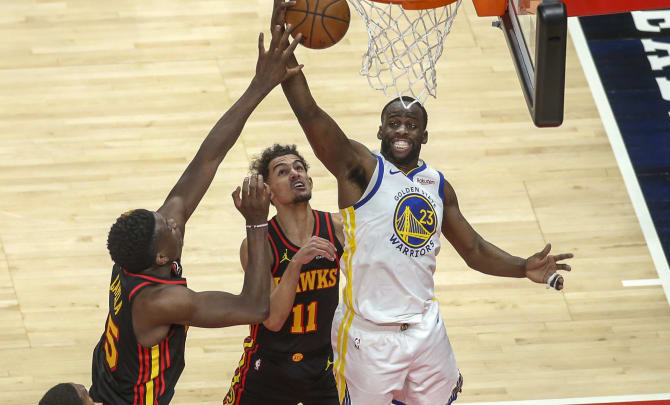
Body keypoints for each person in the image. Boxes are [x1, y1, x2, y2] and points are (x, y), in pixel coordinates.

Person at [269, 1, 574, 404]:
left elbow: (475, 250)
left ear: (424, 137)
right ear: (380, 129)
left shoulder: (437, 186)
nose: (401, 129)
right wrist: (281, 34)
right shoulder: (359, 170)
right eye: (394, 122)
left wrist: (523, 268)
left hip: (426, 329)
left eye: (411, 125)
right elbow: (309, 113)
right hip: (369, 338)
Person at [85, 23, 305, 405]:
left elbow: (208, 158)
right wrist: (256, 222)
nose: (173, 218)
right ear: (161, 256)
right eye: (167, 226)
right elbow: (254, 306)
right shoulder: (162, 302)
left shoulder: (137, 256)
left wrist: (260, 85)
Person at [223, 144, 343, 405]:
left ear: (310, 181)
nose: (294, 174)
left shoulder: (336, 227)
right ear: (268, 193)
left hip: (324, 365)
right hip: (269, 366)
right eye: (282, 171)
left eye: (299, 168)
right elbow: (273, 320)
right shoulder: (258, 244)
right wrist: (297, 261)